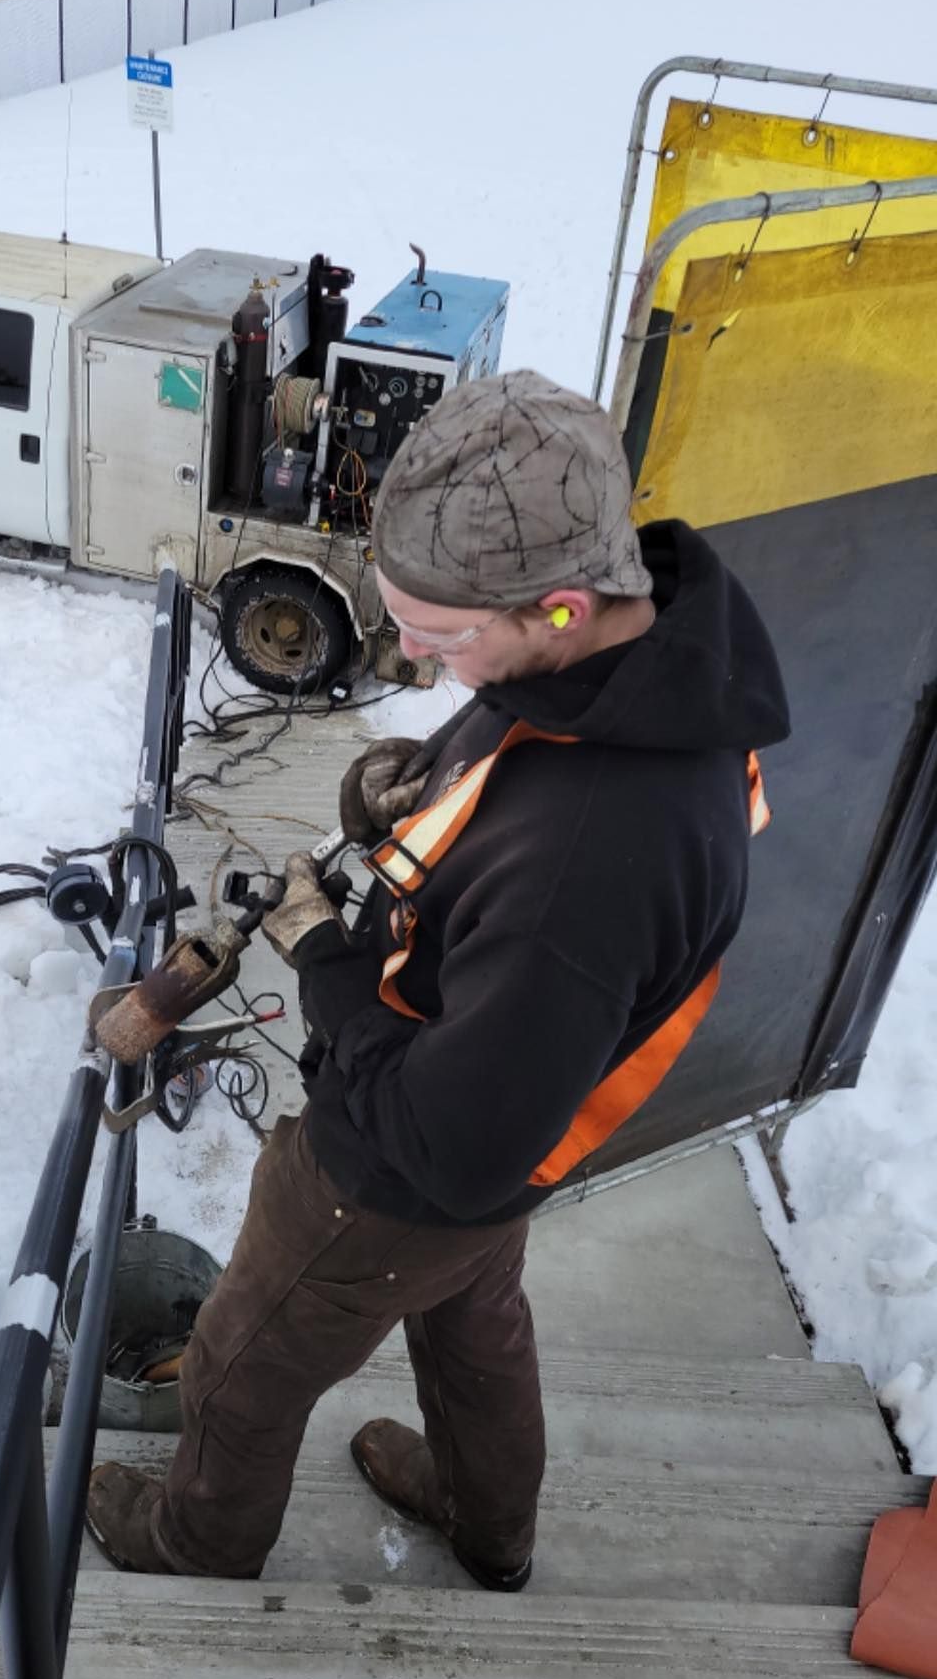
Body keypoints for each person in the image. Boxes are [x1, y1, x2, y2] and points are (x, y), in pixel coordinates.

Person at [85, 369, 790, 1590]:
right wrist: (393, 798)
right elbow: (507, 790)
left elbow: (447, 1142)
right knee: (475, 1335)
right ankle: (484, 1519)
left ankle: (196, 1541)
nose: (409, 656)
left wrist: (323, 956)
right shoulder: (634, 671)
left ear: (562, 606)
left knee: (242, 1362)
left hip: (400, 1173)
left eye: (441, 635)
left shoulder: (589, 859)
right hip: (514, 1126)